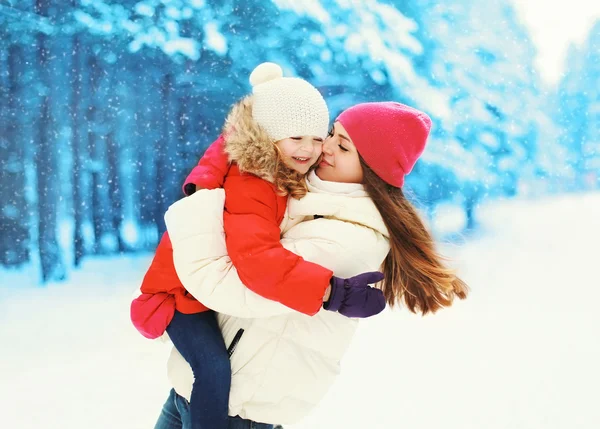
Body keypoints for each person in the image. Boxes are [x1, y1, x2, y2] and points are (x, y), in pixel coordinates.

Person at [158, 101, 469, 428]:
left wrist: (199, 204)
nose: (326, 145)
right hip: (195, 390)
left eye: (343, 146)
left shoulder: (350, 239)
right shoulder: (304, 197)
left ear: (372, 168)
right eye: (333, 132)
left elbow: (230, 285)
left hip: (237, 410)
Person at [130, 64, 386, 429]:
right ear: (270, 136)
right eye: (298, 137)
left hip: (239, 399)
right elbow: (257, 260)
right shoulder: (255, 180)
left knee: (212, 371)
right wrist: (333, 292)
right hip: (180, 295)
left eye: (319, 137)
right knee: (213, 369)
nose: (314, 150)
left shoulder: (282, 172)